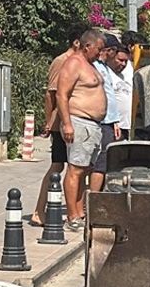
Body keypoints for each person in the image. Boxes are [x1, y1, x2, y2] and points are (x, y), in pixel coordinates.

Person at [32, 23, 89, 227]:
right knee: (57, 166)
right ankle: (39, 210)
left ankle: (75, 209)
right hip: (60, 124)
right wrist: (49, 122)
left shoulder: (79, 62)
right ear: (76, 42)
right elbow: (52, 94)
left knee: (76, 166)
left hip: (75, 122)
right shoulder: (62, 61)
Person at [56, 28, 107, 231]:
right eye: (99, 49)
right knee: (75, 170)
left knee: (85, 169)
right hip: (79, 122)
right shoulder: (74, 64)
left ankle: (80, 212)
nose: (101, 53)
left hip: (92, 126)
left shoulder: (89, 64)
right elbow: (61, 95)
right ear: (87, 46)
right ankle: (72, 216)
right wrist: (67, 123)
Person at [89, 34, 126, 193]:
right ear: (108, 50)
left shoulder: (104, 67)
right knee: (100, 163)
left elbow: (110, 96)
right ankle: (93, 199)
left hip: (110, 122)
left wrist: (115, 120)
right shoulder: (94, 66)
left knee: (105, 162)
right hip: (101, 122)